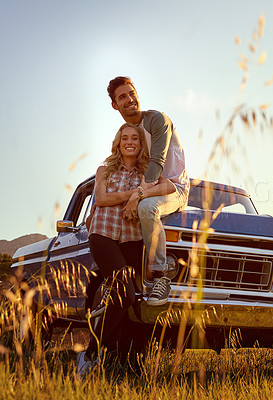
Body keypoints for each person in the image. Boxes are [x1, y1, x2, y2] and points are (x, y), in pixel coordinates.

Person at [78, 123, 175, 375]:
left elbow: (171, 188)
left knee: (132, 300)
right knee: (126, 294)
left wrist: (140, 193)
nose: (129, 142)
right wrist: (137, 194)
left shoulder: (148, 172)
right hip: (103, 234)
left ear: (141, 144)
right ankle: (89, 354)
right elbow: (100, 199)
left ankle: (125, 361)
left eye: (134, 138)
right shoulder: (104, 170)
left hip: (132, 239)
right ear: (118, 143)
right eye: (124, 138)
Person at [107, 76, 190, 306]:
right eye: (122, 96)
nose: (130, 99)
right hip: (149, 186)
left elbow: (156, 162)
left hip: (174, 188)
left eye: (131, 93)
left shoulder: (157, 120)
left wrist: (136, 195)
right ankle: (118, 283)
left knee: (146, 207)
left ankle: (160, 276)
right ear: (115, 105)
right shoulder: (129, 132)